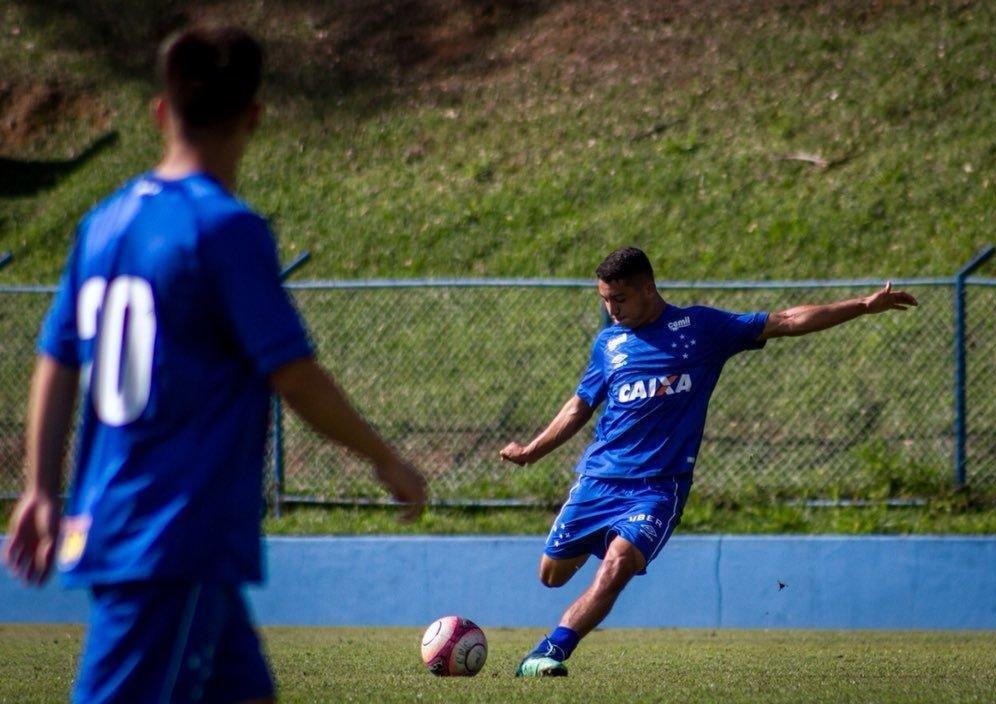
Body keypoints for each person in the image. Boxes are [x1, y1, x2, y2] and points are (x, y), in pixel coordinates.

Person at [2, 25, 427, 703]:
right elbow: (294, 374)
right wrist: (386, 459)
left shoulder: (104, 222)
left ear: (160, 111)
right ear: (253, 117)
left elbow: (56, 359)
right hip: (174, 535)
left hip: (129, 522)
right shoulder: (226, 229)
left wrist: (41, 489)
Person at [500, 246, 917, 676]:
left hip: (659, 487)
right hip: (599, 480)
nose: (612, 309)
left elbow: (786, 320)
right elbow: (580, 405)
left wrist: (863, 305)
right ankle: (602, 538)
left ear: (648, 288)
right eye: (605, 300)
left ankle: (548, 652)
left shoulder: (699, 328)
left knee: (618, 565)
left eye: (619, 299)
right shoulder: (609, 343)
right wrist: (532, 450)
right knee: (551, 575)